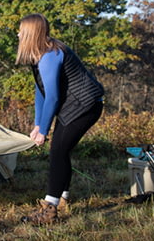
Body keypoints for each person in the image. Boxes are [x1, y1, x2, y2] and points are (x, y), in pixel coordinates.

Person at [15, 13, 104, 224]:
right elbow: (41, 91)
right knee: (61, 150)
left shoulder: (50, 56)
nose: (18, 34)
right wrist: (39, 123)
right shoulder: (40, 55)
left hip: (86, 106)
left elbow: (53, 97)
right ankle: (62, 198)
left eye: (21, 30)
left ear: (30, 33)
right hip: (73, 106)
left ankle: (49, 209)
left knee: (58, 151)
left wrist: (44, 131)